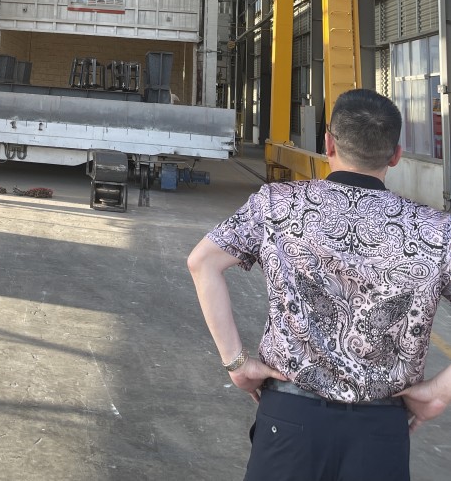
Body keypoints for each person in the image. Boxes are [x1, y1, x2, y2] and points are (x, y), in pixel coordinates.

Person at [187, 88, 451, 481]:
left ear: (328, 144)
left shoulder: (277, 205)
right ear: (395, 156)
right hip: (380, 432)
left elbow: (202, 262)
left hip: (289, 420)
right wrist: (439, 393)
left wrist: (237, 364)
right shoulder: (436, 232)